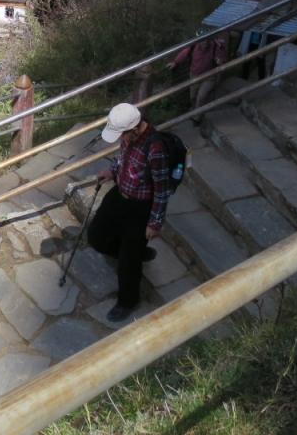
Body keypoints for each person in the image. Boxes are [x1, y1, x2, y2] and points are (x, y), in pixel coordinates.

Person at [88, 103, 172, 322]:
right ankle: (135, 252)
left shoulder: (155, 149)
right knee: (96, 236)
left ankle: (128, 301)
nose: (121, 139)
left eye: (122, 135)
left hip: (140, 208)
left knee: (128, 262)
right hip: (120, 194)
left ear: (134, 129)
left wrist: (154, 223)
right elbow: (123, 160)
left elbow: (162, 190)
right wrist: (112, 171)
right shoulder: (128, 137)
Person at [170, 28, 230, 113]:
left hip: (209, 76)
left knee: (201, 96)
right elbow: (184, 54)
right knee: (193, 96)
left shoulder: (215, 46)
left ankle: (197, 116)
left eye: (206, 39)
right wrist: (175, 62)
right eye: (202, 40)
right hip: (194, 75)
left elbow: (221, 57)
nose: (205, 42)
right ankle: (194, 109)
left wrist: (220, 60)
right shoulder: (193, 46)